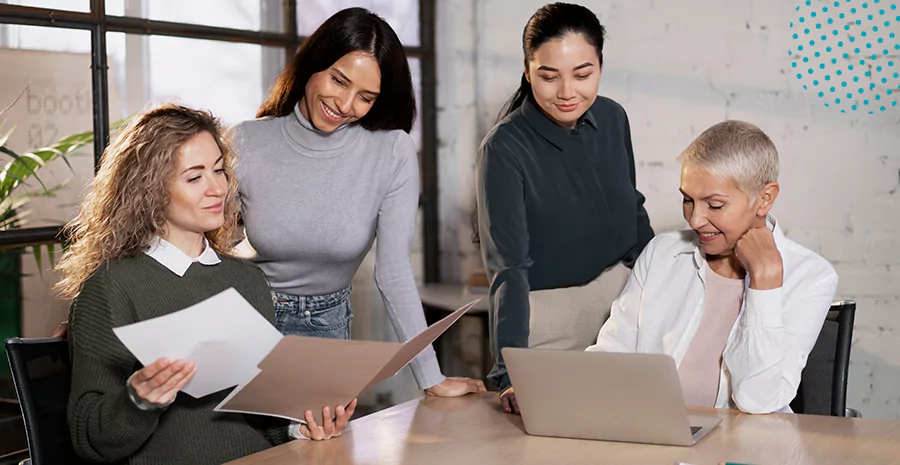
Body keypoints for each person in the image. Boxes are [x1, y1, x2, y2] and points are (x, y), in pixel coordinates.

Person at [56, 104, 355, 465]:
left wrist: (299, 428)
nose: (218, 188)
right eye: (195, 177)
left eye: (219, 170)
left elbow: (261, 411)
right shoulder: (110, 287)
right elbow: (91, 441)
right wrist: (138, 401)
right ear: (151, 189)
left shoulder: (246, 279)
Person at [232, 7, 484, 398]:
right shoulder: (245, 141)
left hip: (326, 331)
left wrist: (431, 379)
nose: (346, 105)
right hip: (246, 321)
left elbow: (394, 272)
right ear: (313, 63)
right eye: (338, 80)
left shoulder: (391, 150)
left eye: (365, 97)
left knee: (317, 454)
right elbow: (208, 253)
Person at [587, 120, 839, 414]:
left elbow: (758, 401)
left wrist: (764, 283)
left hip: (746, 448)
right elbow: (611, 355)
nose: (695, 220)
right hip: (654, 435)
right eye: (687, 200)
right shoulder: (662, 252)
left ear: (765, 198)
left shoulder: (811, 277)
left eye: (715, 205)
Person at [474, 2, 653, 414]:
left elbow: (633, 212)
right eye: (548, 76)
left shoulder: (612, 118)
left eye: (583, 74)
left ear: (601, 67)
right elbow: (508, 270)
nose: (567, 92)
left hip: (624, 309)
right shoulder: (504, 148)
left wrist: (666, 290)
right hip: (549, 322)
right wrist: (509, 372)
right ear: (527, 70)